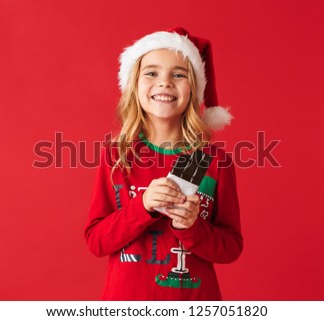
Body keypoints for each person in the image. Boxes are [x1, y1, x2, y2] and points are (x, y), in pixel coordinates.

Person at [84, 27, 243, 300]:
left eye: (179, 74)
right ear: (134, 85)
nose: (165, 83)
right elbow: (96, 241)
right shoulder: (117, 157)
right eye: (152, 73)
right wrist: (142, 206)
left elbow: (231, 247)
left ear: (194, 89)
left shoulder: (214, 162)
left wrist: (192, 227)